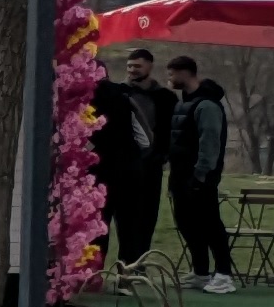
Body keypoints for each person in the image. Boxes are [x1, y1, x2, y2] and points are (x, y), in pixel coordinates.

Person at [90, 47, 168, 270]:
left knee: (98, 225)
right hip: (130, 171)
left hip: (99, 171)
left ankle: (93, 273)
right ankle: (127, 277)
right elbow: (144, 139)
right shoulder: (125, 98)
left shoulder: (83, 102)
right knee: (129, 227)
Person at [161, 55, 237, 275]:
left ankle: (223, 274)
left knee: (210, 224)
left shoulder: (207, 105)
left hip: (200, 177)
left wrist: (200, 174)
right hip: (180, 175)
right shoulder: (184, 103)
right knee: (186, 223)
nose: (170, 78)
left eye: (172, 73)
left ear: (185, 73)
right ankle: (200, 272)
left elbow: (209, 142)